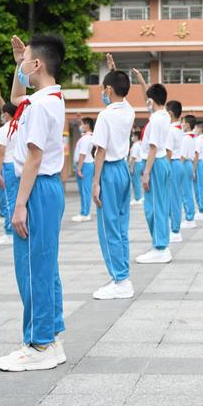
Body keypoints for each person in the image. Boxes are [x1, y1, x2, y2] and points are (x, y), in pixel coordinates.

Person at [0, 34, 67, 372]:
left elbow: (34, 157)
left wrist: (19, 204)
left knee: (32, 269)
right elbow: (15, 95)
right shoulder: (48, 98)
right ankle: (51, 337)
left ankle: (39, 344)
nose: (21, 64)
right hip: (44, 189)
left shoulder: (41, 105)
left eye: (26, 60)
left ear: (37, 64)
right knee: (44, 266)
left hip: (36, 190)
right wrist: (17, 64)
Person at [91, 58, 136, 300]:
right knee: (120, 226)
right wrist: (114, 70)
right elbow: (121, 88)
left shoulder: (105, 115)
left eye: (103, 89)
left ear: (108, 90)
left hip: (108, 171)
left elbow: (100, 151)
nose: (102, 93)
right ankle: (122, 276)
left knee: (108, 229)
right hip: (123, 171)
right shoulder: (129, 111)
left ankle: (120, 280)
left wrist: (95, 182)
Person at [132, 69, 172, 264]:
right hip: (160, 163)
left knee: (154, 208)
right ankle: (160, 244)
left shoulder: (156, 120)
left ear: (152, 100)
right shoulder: (163, 115)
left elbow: (153, 148)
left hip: (154, 164)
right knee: (157, 206)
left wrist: (145, 173)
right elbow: (147, 96)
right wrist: (141, 80)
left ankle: (160, 247)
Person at [0, 101, 18, 246]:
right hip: (21, 165)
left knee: (9, 200)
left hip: (8, 165)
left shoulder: (4, 129)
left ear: (6, 114)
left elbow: (1, 152)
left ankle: (9, 232)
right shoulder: (23, 125)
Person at [166, 100, 185, 243]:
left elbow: (168, 151)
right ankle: (175, 227)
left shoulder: (171, 130)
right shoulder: (179, 129)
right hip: (178, 163)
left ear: (170, 113)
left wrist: (164, 169)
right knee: (176, 197)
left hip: (172, 163)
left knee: (172, 198)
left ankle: (175, 230)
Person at [72, 118, 95, 223]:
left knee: (85, 190)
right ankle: (83, 212)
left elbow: (82, 154)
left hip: (85, 165)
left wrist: (79, 168)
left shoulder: (86, 138)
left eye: (82, 124)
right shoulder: (86, 137)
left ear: (87, 125)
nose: (80, 126)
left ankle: (86, 213)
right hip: (84, 164)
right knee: (83, 190)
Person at [180, 114, 198, 229]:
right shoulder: (191, 137)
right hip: (189, 164)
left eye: (183, 122)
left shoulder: (186, 138)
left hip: (185, 164)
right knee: (187, 192)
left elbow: (182, 156)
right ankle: (190, 216)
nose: (181, 124)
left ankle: (190, 218)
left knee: (185, 192)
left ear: (186, 125)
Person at [193, 121, 203, 220]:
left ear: (199, 128)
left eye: (195, 128)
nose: (194, 129)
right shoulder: (201, 139)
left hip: (198, 163)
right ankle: (200, 208)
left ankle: (201, 210)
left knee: (199, 188)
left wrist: (193, 169)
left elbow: (196, 154)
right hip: (200, 163)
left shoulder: (198, 139)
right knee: (199, 187)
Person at [128, 133, 144, 205]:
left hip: (136, 164)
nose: (132, 137)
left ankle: (138, 198)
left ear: (136, 137)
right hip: (140, 163)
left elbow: (133, 157)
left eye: (133, 136)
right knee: (137, 181)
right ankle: (138, 196)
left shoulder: (135, 145)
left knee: (136, 181)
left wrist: (131, 167)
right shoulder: (140, 144)